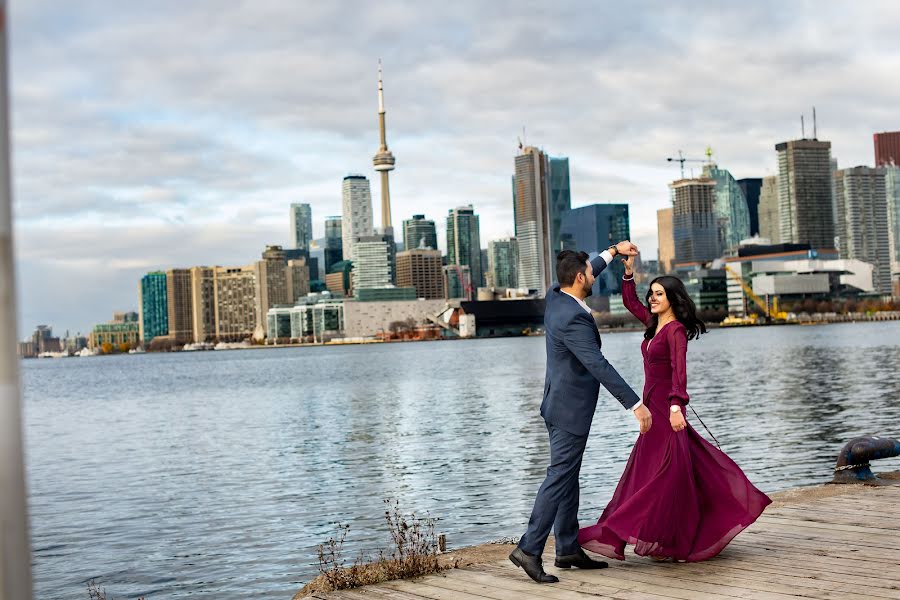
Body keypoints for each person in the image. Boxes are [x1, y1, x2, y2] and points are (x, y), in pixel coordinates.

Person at [577, 254, 771, 562]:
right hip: (652, 410)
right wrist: (628, 273)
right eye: (651, 293)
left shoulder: (676, 331)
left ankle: (664, 536)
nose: (652, 298)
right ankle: (664, 537)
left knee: (668, 473)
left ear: (672, 299)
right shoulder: (654, 324)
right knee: (653, 471)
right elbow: (630, 302)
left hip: (667, 410)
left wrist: (677, 405)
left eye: (659, 294)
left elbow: (680, 371)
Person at [510, 243, 652, 584]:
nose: (593, 276)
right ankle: (529, 549)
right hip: (569, 409)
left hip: (557, 404)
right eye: (589, 273)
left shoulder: (556, 296)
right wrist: (635, 404)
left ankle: (568, 547)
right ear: (578, 278)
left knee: (567, 475)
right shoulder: (573, 317)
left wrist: (613, 252)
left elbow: (590, 268)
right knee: (559, 476)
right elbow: (597, 364)